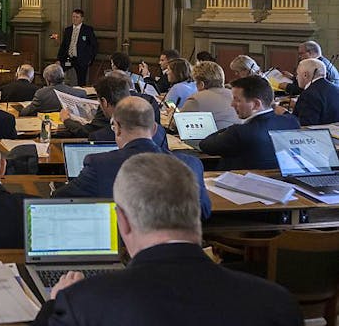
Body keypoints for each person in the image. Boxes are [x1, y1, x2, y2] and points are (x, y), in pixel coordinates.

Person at [35, 153, 302, 326]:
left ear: (123, 221)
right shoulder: (276, 303)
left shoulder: (81, 304)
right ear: (195, 210)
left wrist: (53, 305)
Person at [53, 97, 211, 219]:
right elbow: (203, 212)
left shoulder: (99, 164)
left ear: (118, 128)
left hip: (124, 250)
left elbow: (60, 199)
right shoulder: (191, 164)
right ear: (154, 128)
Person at [198, 76, 301, 170]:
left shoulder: (239, 132)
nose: (232, 104)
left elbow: (204, 145)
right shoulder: (291, 121)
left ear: (256, 104)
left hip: (240, 185)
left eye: (237, 100)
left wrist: (230, 128)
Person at [178, 61, 240, 130]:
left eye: (195, 83)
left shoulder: (196, 99)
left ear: (201, 84)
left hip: (214, 139)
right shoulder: (234, 94)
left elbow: (179, 125)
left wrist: (172, 115)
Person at [286, 58, 339, 126]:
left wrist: (285, 114)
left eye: (297, 74)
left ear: (305, 75)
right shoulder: (336, 89)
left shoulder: (309, 95)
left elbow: (304, 125)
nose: (296, 78)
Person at [19, 63, 88, 116]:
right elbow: (83, 93)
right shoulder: (78, 93)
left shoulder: (41, 94)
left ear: (47, 80)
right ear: (63, 76)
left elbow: (25, 112)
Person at [56, 8, 98, 86]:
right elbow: (63, 46)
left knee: (81, 80)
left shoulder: (87, 30)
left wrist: (90, 59)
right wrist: (59, 59)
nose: (74, 19)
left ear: (82, 19)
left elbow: (94, 46)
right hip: (69, 59)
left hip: (81, 59)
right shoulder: (68, 30)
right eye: (73, 17)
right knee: (59, 72)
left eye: (77, 17)